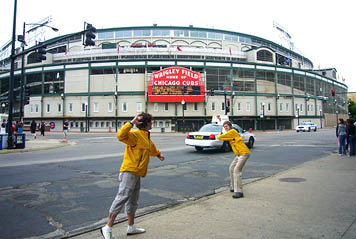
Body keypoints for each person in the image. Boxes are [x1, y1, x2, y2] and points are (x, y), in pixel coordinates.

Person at [101, 112, 165, 239]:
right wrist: (131, 123)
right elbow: (120, 136)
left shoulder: (145, 136)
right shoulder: (135, 135)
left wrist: (158, 155)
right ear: (146, 123)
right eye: (151, 122)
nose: (152, 123)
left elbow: (151, 148)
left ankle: (131, 227)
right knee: (122, 197)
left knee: (133, 201)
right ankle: (107, 227)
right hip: (129, 171)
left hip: (137, 173)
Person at [217, 121, 250, 199]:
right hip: (239, 154)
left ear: (230, 126)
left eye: (226, 126)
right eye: (224, 127)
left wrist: (221, 134)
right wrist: (222, 135)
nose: (225, 128)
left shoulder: (232, 131)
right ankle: (233, 187)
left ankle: (239, 191)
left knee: (236, 170)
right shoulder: (230, 133)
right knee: (231, 168)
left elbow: (220, 137)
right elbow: (223, 138)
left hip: (244, 153)